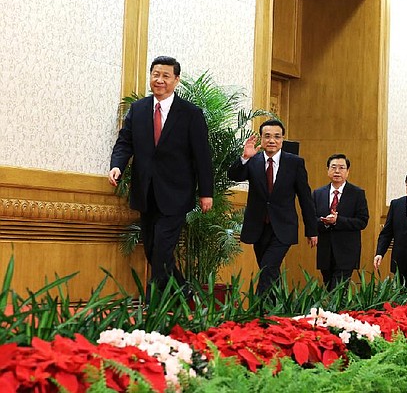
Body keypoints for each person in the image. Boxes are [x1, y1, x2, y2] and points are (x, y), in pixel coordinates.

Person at [108, 55, 213, 300]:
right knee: (154, 250)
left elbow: (202, 156)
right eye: (156, 74)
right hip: (145, 192)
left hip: (176, 194)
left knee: (162, 249)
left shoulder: (190, 113)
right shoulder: (139, 109)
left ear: (176, 80)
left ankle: (153, 306)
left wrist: (206, 193)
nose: (160, 80)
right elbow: (125, 142)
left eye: (166, 76)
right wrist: (117, 166)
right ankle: (185, 292)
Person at [227, 119, 318, 296]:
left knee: (268, 268)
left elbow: (305, 198)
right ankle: (277, 313)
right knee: (269, 272)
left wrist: (312, 229)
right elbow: (234, 176)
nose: (272, 140)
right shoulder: (253, 160)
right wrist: (245, 157)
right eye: (267, 136)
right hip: (258, 227)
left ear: (282, 139)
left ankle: (259, 311)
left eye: (277, 136)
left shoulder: (294, 163)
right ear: (261, 139)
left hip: (283, 228)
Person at [312, 154, 369, 290]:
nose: (337, 171)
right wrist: (325, 222)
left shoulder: (357, 193)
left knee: (338, 290)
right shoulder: (318, 193)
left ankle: (335, 311)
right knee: (329, 287)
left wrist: (339, 221)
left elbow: (362, 221)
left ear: (347, 172)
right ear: (328, 170)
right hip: (325, 251)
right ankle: (333, 312)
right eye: (333, 167)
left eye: (341, 168)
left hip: (347, 251)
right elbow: (311, 219)